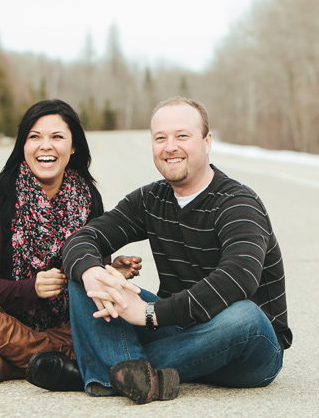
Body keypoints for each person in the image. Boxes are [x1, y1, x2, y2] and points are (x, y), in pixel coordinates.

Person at [28, 96, 291, 405]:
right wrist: (92, 273)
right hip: (178, 330)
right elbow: (83, 239)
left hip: (246, 348)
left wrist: (151, 313)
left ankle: (104, 371)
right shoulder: (151, 199)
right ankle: (134, 374)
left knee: (245, 315)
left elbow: (238, 279)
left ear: (207, 142)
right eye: (160, 138)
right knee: (86, 273)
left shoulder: (238, 203)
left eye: (182, 136)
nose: (170, 147)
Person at [0, 99, 143, 386]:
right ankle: (74, 364)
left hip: (67, 323)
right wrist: (31, 289)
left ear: (73, 146)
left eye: (57, 137)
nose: (45, 145)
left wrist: (111, 272)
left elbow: (92, 276)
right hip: (5, 320)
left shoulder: (87, 196)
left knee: (127, 309)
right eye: (34, 137)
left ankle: (14, 363)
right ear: (23, 146)